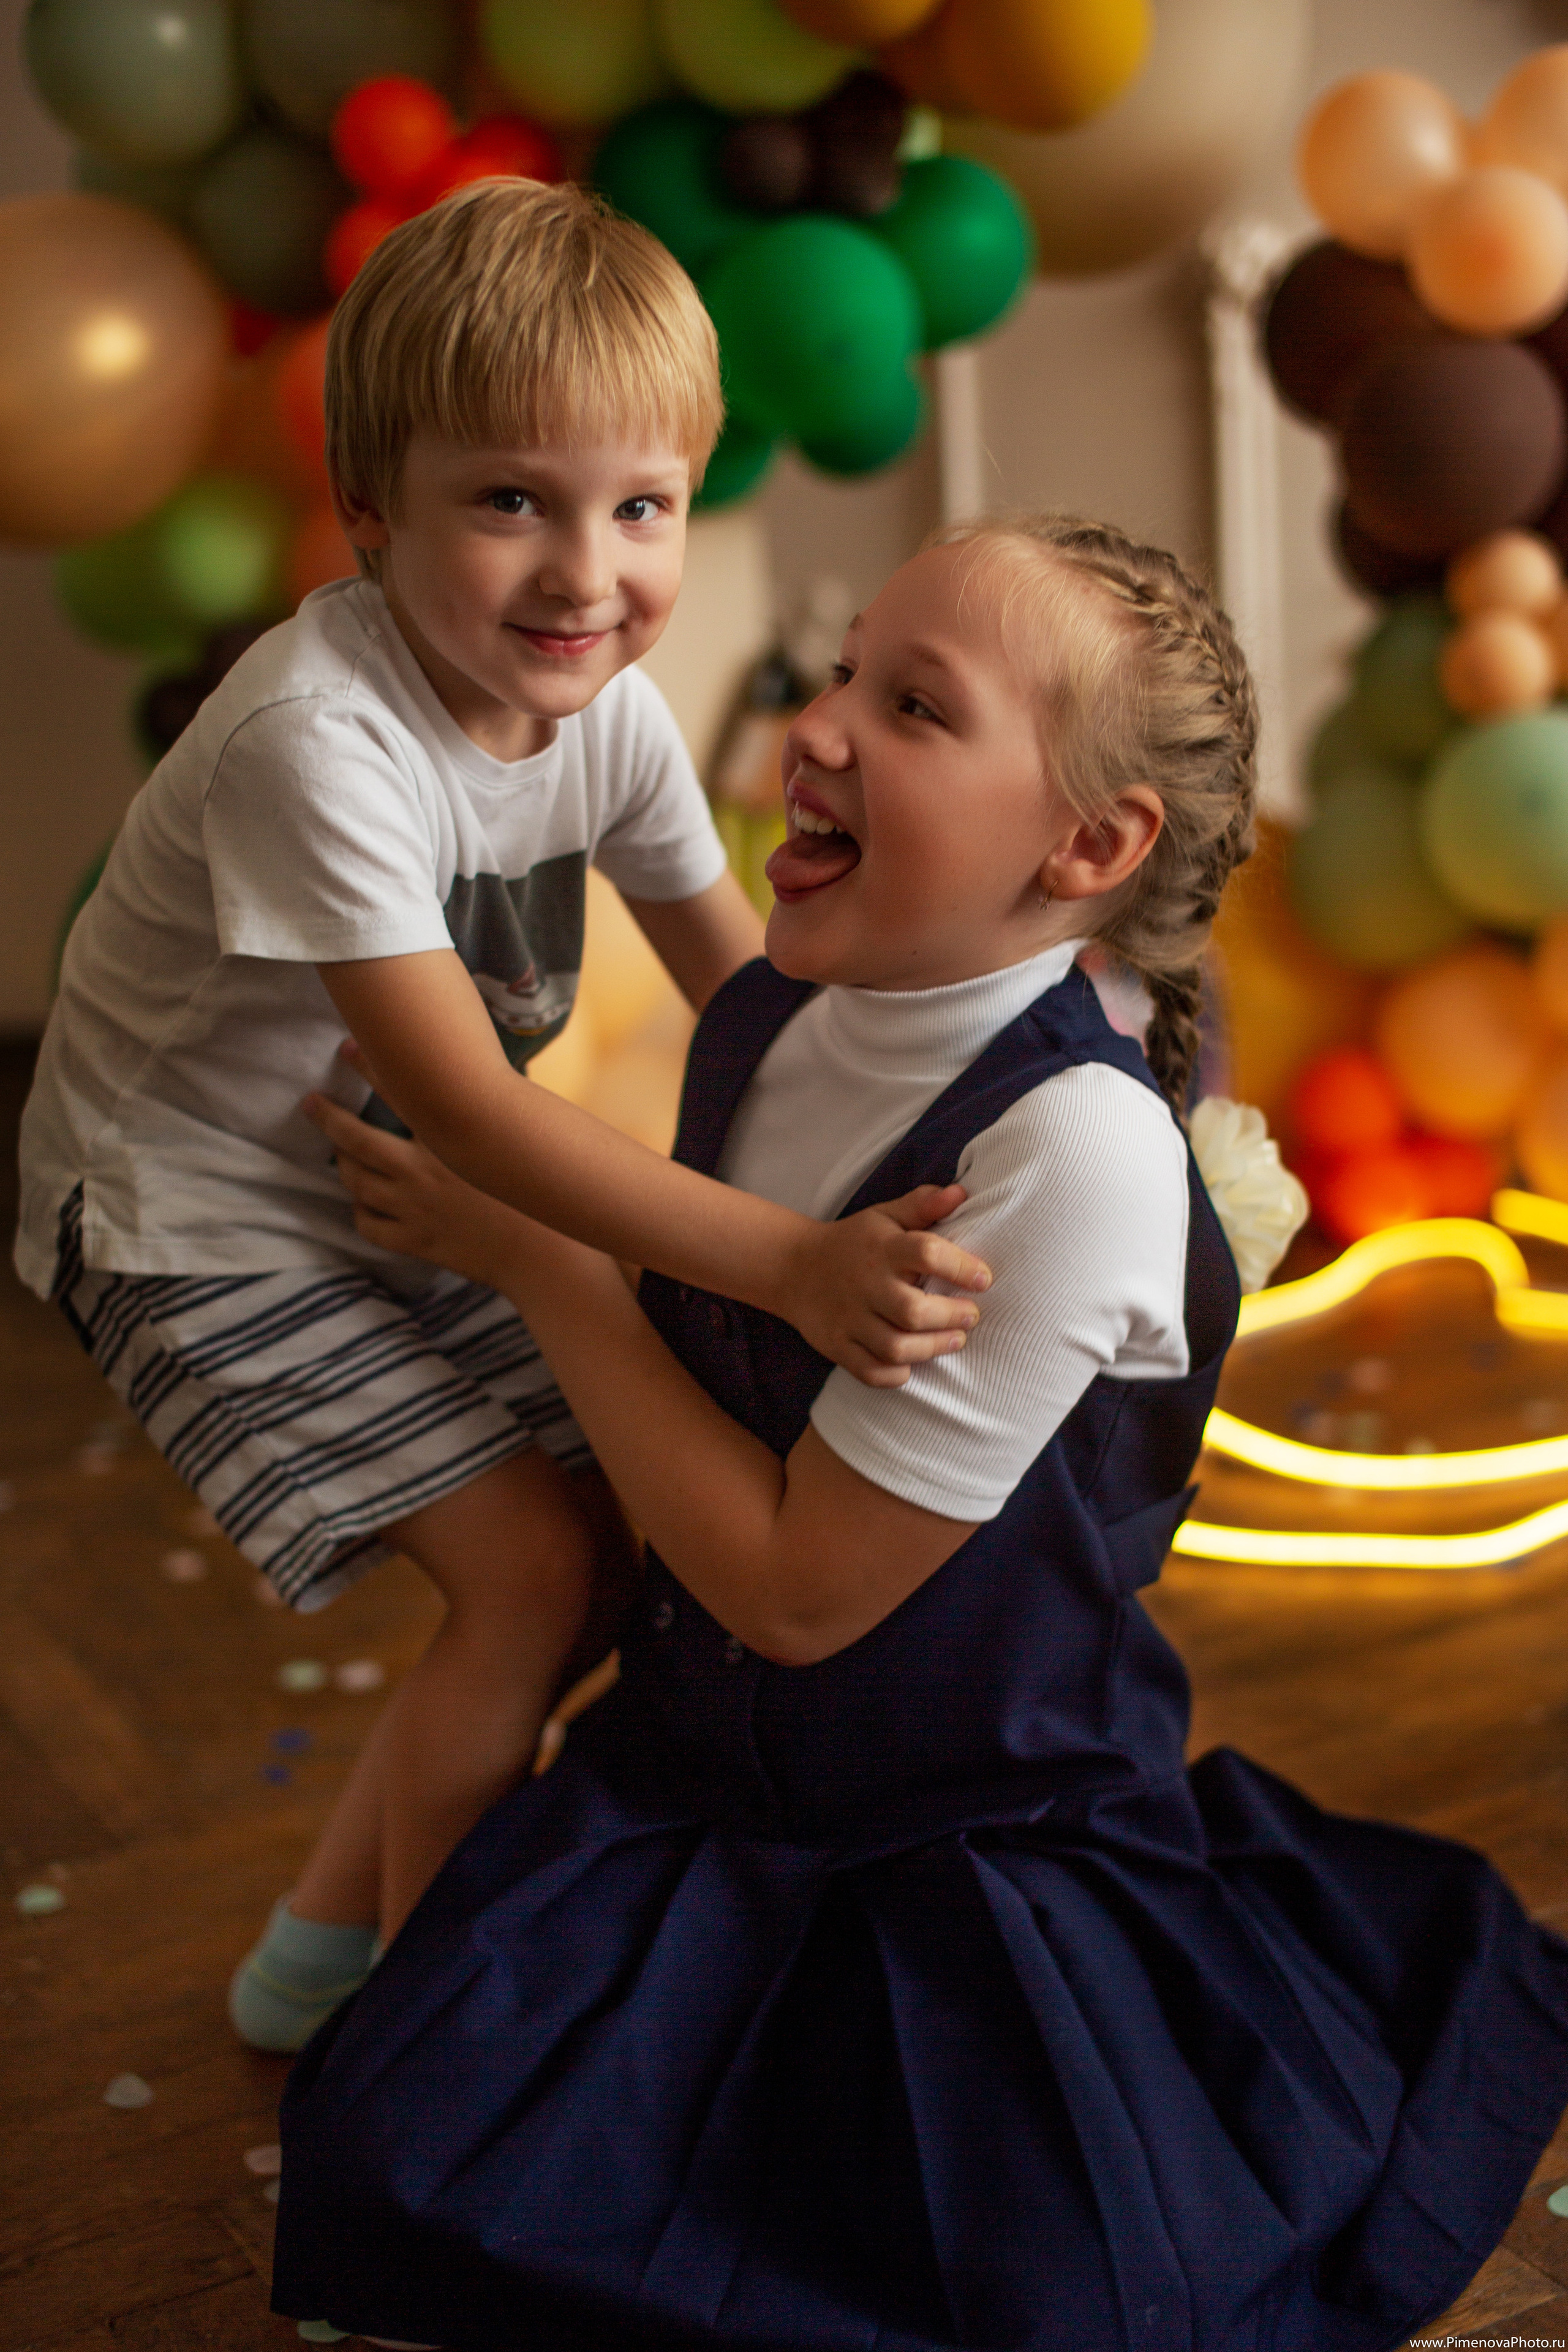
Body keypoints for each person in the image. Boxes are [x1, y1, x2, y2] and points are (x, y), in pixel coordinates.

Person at [272, 513, 1568, 2351]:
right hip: (697, 1779)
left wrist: (545, 1260)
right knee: (395, 2184)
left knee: (1013, 2293)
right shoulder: (785, 1010)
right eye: (841, 668)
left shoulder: (1075, 1158)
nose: (818, 726)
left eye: (914, 703)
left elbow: (804, 1597)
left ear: (1091, 845)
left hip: (959, 1854)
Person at [11, 179, 989, 2050]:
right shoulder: (322, 742)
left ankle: (319, 1966)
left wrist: (959, 1115)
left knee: (621, 1538)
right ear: (371, 515)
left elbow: (748, 1002)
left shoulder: (608, 710)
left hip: (371, 1176)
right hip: (183, 1214)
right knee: (535, 1567)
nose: (584, 575)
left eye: (641, 507)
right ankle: (430, 2068)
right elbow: (471, 1112)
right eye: (508, 502)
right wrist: (794, 1259)